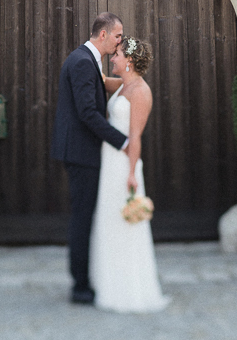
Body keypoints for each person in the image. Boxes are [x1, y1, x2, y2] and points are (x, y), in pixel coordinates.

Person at [51, 12, 128, 304]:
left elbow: (100, 84)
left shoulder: (87, 58)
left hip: (80, 150)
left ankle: (86, 278)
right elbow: (87, 112)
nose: (121, 40)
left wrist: (130, 82)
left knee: (85, 215)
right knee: (82, 218)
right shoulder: (83, 61)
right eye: (118, 35)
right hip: (81, 151)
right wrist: (121, 141)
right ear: (104, 34)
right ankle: (80, 286)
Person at [89, 35, 170, 312]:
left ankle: (128, 289)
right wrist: (90, 53)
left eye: (118, 55)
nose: (113, 57)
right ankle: (108, 283)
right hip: (109, 162)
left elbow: (135, 137)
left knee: (125, 224)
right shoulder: (123, 85)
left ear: (130, 61)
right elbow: (99, 80)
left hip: (124, 165)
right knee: (109, 220)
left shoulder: (140, 92)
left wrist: (133, 173)